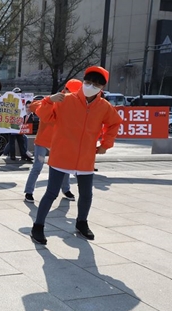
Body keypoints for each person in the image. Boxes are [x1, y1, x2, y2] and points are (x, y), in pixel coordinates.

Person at [30, 66, 123, 245]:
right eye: (88, 82)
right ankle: (38, 226)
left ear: (101, 87)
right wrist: (49, 100)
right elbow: (44, 115)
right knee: (51, 193)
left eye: (95, 84)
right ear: (83, 82)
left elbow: (114, 123)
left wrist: (105, 144)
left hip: (86, 157)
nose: (90, 86)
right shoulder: (65, 100)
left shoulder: (104, 107)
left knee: (86, 194)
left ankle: (81, 223)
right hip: (62, 154)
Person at [23, 79, 82, 202]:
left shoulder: (75, 105)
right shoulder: (54, 99)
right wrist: (50, 99)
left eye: (76, 94)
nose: (73, 96)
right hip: (43, 141)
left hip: (61, 143)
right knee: (37, 167)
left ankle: (66, 190)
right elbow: (33, 106)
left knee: (65, 167)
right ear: (65, 90)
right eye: (71, 92)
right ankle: (29, 191)